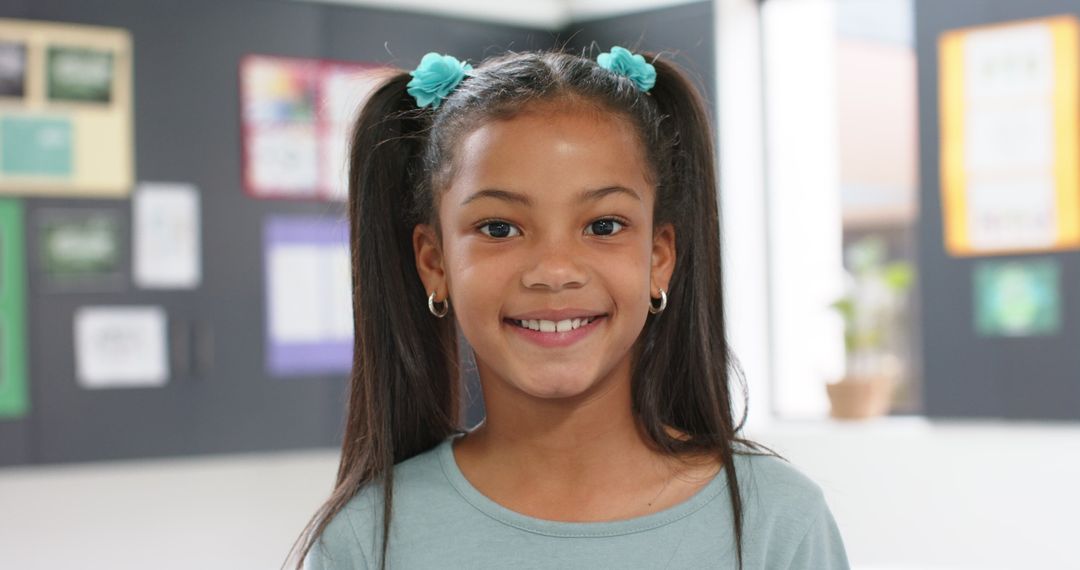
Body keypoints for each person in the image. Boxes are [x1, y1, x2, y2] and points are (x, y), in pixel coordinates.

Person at [288, 46, 850, 569]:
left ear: (659, 258)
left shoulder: (777, 520)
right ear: (435, 263)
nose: (555, 271)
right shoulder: (365, 539)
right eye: (499, 228)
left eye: (604, 226)